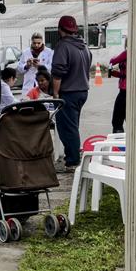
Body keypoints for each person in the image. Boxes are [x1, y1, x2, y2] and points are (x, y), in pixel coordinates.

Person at [51, 15, 92, 171]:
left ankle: (73, 162)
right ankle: (73, 158)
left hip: (68, 93)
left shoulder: (63, 46)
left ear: (60, 30)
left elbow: (58, 73)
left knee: (68, 129)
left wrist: (55, 94)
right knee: (73, 127)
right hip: (82, 91)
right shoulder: (83, 45)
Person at [109, 40, 127, 133]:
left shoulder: (127, 53)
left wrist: (111, 64)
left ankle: (119, 143)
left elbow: (113, 61)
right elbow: (125, 74)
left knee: (117, 121)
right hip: (130, 89)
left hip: (125, 91)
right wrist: (116, 74)